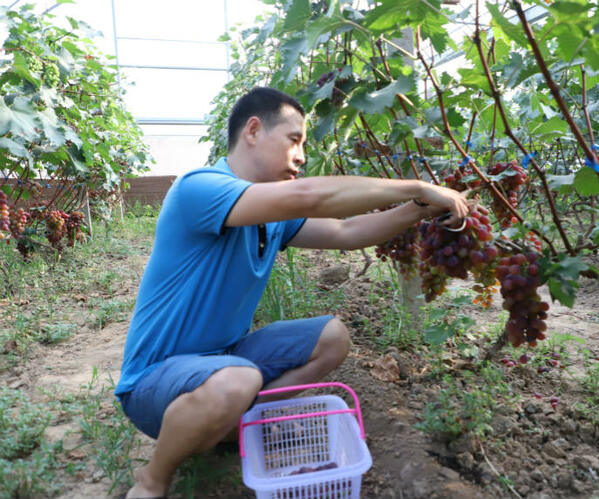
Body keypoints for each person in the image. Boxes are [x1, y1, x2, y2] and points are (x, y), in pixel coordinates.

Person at [116, 86, 470, 498]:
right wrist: (416, 187)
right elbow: (310, 196)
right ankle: (153, 480)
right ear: (253, 130)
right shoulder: (200, 188)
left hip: (224, 360)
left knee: (332, 337)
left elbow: (347, 231)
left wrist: (422, 210)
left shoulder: (271, 218)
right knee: (236, 381)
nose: (301, 155)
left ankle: (237, 423)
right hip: (155, 381)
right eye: (294, 140)